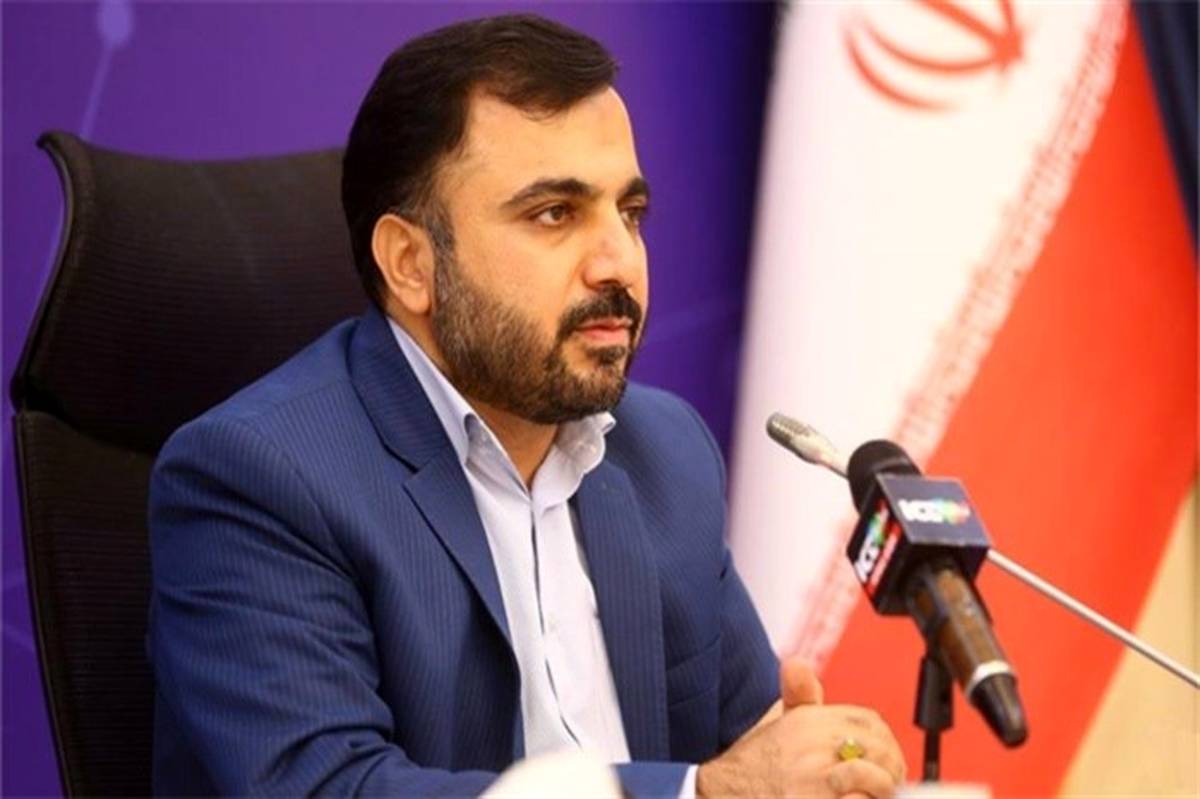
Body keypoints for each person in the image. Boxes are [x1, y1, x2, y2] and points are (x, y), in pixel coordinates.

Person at [148, 13, 906, 797]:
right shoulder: (259, 479)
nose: (619, 261)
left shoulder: (665, 452)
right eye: (555, 214)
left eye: (629, 213)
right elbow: (329, 787)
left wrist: (816, 764)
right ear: (411, 264)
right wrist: (704, 791)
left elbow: (749, 745)